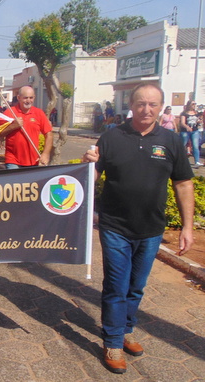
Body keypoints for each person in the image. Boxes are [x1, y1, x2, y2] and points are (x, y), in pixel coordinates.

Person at [82, 83, 194, 374]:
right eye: (141, 104)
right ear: (130, 105)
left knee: (136, 286)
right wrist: (87, 165)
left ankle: (126, 328)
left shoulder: (171, 140)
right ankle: (114, 341)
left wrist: (187, 227)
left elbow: (183, 184)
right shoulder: (111, 137)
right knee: (117, 286)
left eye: (153, 104)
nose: (146, 110)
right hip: (114, 226)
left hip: (152, 229)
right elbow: (90, 179)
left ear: (161, 107)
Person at [2, 86, 53, 169]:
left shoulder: (39, 113)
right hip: (13, 160)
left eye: (31, 98)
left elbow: (49, 134)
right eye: (25, 98)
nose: (28, 101)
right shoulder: (9, 112)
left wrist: (45, 154)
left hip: (33, 160)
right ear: (19, 98)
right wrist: (13, 126)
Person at [180, 100, 201, 166]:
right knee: (182, 145)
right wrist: (187, 127)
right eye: (193, 104)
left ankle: (197, 162)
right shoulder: (184, 113)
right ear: (189, 105)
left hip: (195, 131)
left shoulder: (196, 113)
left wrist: (199, 122)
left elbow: (198, 120)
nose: (194, 105)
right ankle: (179, 160)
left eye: (195, 104)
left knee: (195, 146)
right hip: (185, 132)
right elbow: (182, 123)